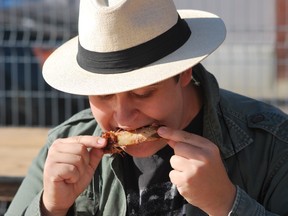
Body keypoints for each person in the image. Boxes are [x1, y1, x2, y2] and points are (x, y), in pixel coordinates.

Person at [5, 0, 288, 215]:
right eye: (102, 97)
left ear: (185, 72)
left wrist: (227, 203)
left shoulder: (271, 143)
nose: (123, 117)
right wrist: (50, 207)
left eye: (143, 93)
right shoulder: (64, 145)